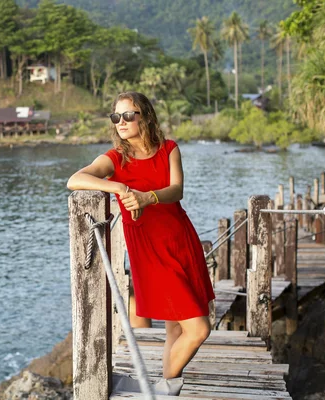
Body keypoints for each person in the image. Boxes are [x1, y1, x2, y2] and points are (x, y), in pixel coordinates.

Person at [67, 91, 215, 396]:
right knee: (199, 329)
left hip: (180, 240)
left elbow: (176, 190)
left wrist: (148, 197)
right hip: (150, 251)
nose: (121, 122)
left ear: (144, 116)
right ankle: (164, 389)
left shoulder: (169, 149)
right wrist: (120, 186)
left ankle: (163, 385)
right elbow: (75, 179)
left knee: (177, 327)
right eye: (116, 117)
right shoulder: (114, 158)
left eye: (128, 115)